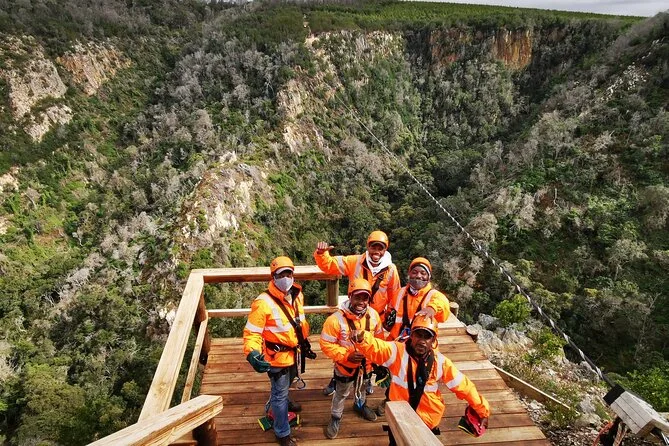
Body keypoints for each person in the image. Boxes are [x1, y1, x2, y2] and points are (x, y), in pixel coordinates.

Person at [352, 314, 490, 445]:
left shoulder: (440, 362)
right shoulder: (397, 352)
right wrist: (362, 338)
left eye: (427, 337)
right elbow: (377, 347)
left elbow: (464, 386)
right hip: (400, 417)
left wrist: (482, 411)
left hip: (427, 421)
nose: (422, 341)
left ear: (433, 340)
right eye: (418, 335)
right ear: (411, 335)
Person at [315, 230, 401, 396]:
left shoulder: (391, 270)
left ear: (385, 249)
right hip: (352, 315)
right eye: (373, 247)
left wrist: (390, 315)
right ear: (368, 247)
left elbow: (394, 294)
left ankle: (367, 379)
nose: (376, 251)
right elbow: (330, 265)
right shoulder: (355, 262)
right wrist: (321, 254)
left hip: (374, 318)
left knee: (371, 350)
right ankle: (338, 378)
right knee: (346, 348)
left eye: (380, 248)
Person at [243, 256, 317, 446]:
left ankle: (282, 402)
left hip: (294, 352)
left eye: (288, 274)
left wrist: (305, 343)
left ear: (293, 275)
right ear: (273, 277)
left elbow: (298, 323)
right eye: (280, 275)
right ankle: (282, 433)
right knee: (280, 394)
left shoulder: (297, 295)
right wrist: (252, 353)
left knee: (285, 385)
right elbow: (252, 333)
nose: (285, 278)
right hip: (277, 357)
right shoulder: (263, 303)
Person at [319, 278, 386, 439]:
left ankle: (360, 405)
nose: (361, 302)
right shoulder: (335, 320)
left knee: (362, 388)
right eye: (357, 297)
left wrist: (378, 361)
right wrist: (346, 355)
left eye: (365, 298)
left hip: (366, 366)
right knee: (341, 393)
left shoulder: (373, 316)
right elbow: (326, 344)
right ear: (350, 296)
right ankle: (335, 417)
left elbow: (379, 340)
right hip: (345, 367)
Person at [384, 257, 451, 341]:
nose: (419, 276)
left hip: (422, 345)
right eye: (414, 272)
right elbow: (389, 314)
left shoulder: (434, 295)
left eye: (423, 273)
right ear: (409, 274)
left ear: (429, 277)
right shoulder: (399, 293)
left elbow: (443, 304)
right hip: (397, 342)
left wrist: (432, 308)